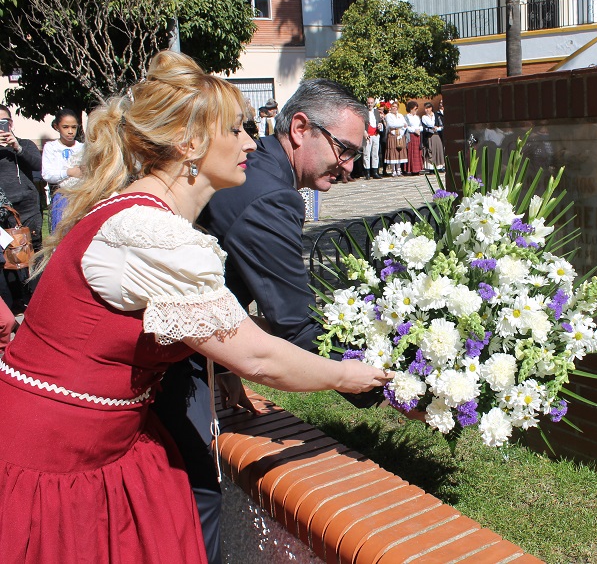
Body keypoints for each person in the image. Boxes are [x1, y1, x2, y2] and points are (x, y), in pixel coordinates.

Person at [0, 51, 391, 562]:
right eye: (236, 129)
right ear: (190, 144)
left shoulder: (142, 214)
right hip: (56, 456)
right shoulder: (154, 235)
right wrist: (349, 375)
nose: (251, 142)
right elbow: (259, 357)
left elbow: (208, 325)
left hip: (98, 439)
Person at [153, 77, 377, 563]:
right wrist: (383, 387)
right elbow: (294, 325)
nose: (349, 167)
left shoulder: (256, 178)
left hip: (182, 354)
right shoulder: (267, 195)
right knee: (197, 504)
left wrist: (223, 367)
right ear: (300, 128)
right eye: (344, 150)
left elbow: (219, 284)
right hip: (161, 373)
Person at [0, 104, 42, 311]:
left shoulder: (24, 144)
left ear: (11, 123)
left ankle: (39, 297)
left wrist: (18, 148)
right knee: (8, 256)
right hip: (4, 212)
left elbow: (39, 165)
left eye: (3, 121)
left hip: (28, 209)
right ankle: (17, 299)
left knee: (34, 253)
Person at [41, 108, 85, 231]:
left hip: (81, 196)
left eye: (74, 127)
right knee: (62, 232)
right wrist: (69, 172)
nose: (70, 131)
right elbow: (47, 174)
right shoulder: (51, 147)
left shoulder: (83, 147)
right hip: (62, 196)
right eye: (65, 127)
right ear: (57, 127)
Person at [384, 101, 407, 177]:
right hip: (392, 135)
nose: (394, 108)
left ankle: (399, 170)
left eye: (396, 107)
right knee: (393, 153)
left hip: (400, 135)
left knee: (399, 152)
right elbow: (391, 125)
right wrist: (401, 125)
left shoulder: (400, 115)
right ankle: (393, 170)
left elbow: (405, 125)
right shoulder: (388, 115)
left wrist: (401, 132)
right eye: (393, 106)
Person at [363, 96, 383, 179]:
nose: (370, 104)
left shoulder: (376, 112)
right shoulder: (364, 112)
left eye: (371, 103)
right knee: (366, 154)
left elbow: (379, 122)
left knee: (375, 154)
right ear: (366, 103)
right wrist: (364, 132)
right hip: (367, 135)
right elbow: (361, 123)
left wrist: (380, 125)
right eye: (368, 103)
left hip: (375, 135)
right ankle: (367, 173)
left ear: (374, 103)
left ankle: (375, 172)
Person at [421, 101, 444, 172]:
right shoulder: (424, 117)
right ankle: (431, 168)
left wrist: (437, 128)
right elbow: (425, 127)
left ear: (431, 108)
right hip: (429, 136)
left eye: (427, 108)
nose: (426, 110)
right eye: (425, 108)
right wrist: (431, 129)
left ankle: (438, 167)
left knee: (438, 150)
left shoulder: (436, 116)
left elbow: (441, 126)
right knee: (431, 151)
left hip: (436, 136)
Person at [404, 100, 424, 175]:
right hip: (411, 136)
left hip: (417, 136)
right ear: (411, 108)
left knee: (417, 153)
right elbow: (406, 127)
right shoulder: (406, 117)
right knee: (411, 153)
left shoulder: (417, 117)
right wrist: (414, 130)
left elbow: (421, 126)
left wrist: (418, 130)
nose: (416, 110)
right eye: (415, 109)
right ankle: (412, 169)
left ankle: (417, 169)